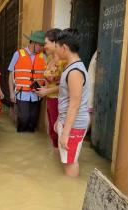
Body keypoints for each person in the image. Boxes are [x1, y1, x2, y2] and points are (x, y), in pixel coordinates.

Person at [54, 28, 90, 177]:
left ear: (64, 47)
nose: (55, 51)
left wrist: (66, 133)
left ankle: (70, 194)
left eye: (56, 47)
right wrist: (59, 120)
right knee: (68, 160)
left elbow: (74, 104)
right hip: (69, 122)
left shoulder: (74, 71)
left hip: (74, 125)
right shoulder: (71, 68)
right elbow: (66, 99)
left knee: (70, 162)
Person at [8, 31, 46, 132]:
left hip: (37, 93)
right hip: (22, 92)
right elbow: (11, 73)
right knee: (24, 118)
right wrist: (11, 93)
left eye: (43, 45)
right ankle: (20, 136)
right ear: (33, 42)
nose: (42, 47)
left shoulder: (44, 56)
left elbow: (46, 75)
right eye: (40, 45)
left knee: (33, 119)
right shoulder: (18, 54)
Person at [35, 28, 66, 151]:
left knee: (58, 130)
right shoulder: (49, 59)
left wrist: (47, 91)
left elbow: (66, 85)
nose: (45, 46)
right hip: (50, 100)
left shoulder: (64, 62)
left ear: (55, 43)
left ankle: (62, 161)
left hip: (59, 101)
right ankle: (56, 161)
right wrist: (44, 89)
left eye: (47, 42)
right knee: (53, 132)